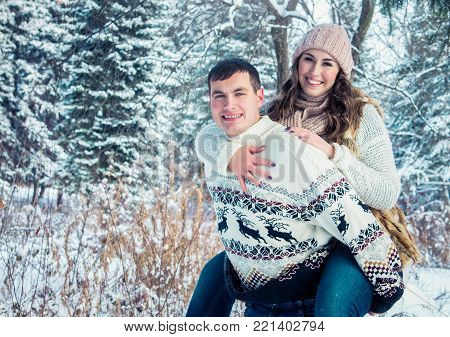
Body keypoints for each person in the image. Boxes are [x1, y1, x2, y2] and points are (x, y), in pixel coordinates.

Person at [188, 56, 404, 317]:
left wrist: (385, 290)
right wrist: (228, 155)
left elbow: (367, 210)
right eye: (219, 96)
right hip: (264, 288)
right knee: (211, 279)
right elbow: (209, 134)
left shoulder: (353, 119)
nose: (229, 103)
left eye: (238, 93)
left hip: (327, 267)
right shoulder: (253, 123)